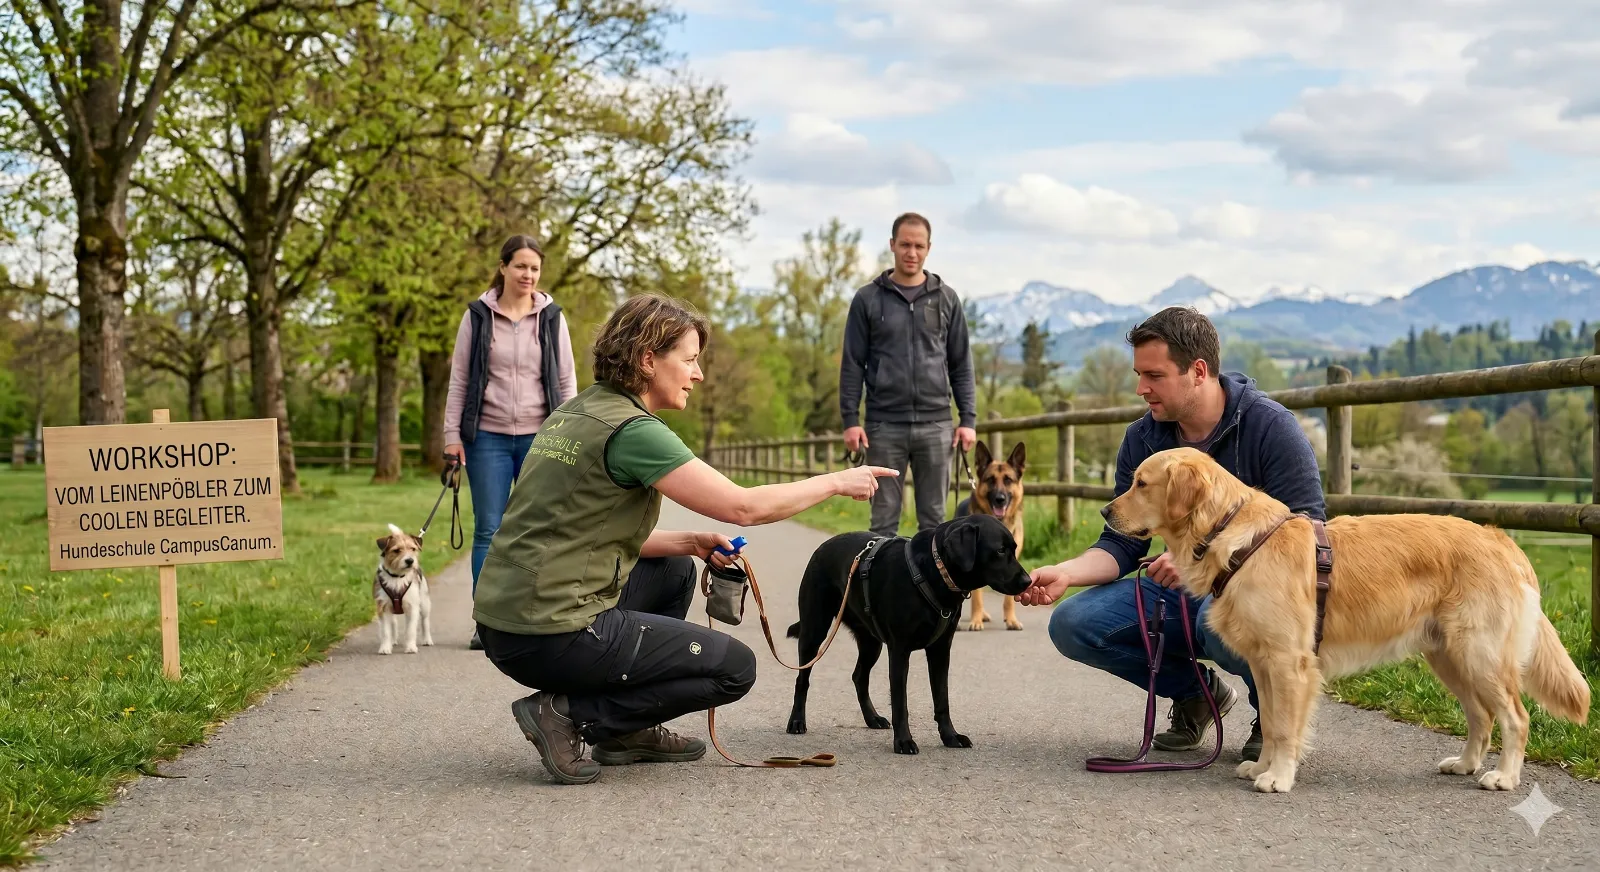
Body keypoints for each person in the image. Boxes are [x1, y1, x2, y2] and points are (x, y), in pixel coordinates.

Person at [472, 293, 899, 785]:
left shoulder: (576, 413)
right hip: (552, 632)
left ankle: (626, 731)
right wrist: (835, 481)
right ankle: (571, 714)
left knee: (675, 570)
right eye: (691, 360)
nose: (698, 375)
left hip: (508, 625)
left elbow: (576, 530)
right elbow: (744, 507)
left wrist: (691, 541)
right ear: (648, 359)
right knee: (733, 669)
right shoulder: (634, 431)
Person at [1017, 306, 1326, 762]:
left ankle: (1275, 716)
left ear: (1197, 371)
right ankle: (1197, 696)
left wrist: (1206, 562)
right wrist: (1064, 572)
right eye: (1139, 374)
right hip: (1175, 588)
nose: (1142, 388)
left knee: (1218, 621)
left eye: (1154, 376)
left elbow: (1308, 534)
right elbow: (1122, 544)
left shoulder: (1270, 427)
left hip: (1260, 595)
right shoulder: (1142, 439)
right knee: (1072, 624)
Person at [444, 234, 580, 651]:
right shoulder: (478, 316)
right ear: (503, 267)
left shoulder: (552, 317)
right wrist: (452, 436)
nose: (528, 274)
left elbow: (566, 381)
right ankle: (487, 623)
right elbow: (460, 379)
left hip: (542, 437)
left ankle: (536, 618)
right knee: (488, 528)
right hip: (487, 437)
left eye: (535, 268)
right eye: (520, 266)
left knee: (541, 527)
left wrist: (573, 432)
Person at [839, 212, 978, 538]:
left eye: (918, 245)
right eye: (905, 244)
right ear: (892, 245)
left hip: (936, 425)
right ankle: (880, 588)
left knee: (934, 523)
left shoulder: (946, 299)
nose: (911, 252)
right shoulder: (868, 299)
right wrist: (850, 419)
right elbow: (852, 364)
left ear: (928, 248)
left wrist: (968, 419)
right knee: (883, 522)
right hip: (883, 425)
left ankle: (930, 589)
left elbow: (961, 364)